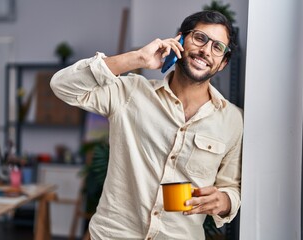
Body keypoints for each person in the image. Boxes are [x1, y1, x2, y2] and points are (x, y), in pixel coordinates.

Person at [50, 10, 243, 240]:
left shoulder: (233, 120)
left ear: (223, 63)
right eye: (200, 38)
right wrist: (137, 58)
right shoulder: (131, 93)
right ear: (180, 40)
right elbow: (62, 85)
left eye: (217, 47)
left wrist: (224, 200)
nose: (206, 51)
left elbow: (231, 186)